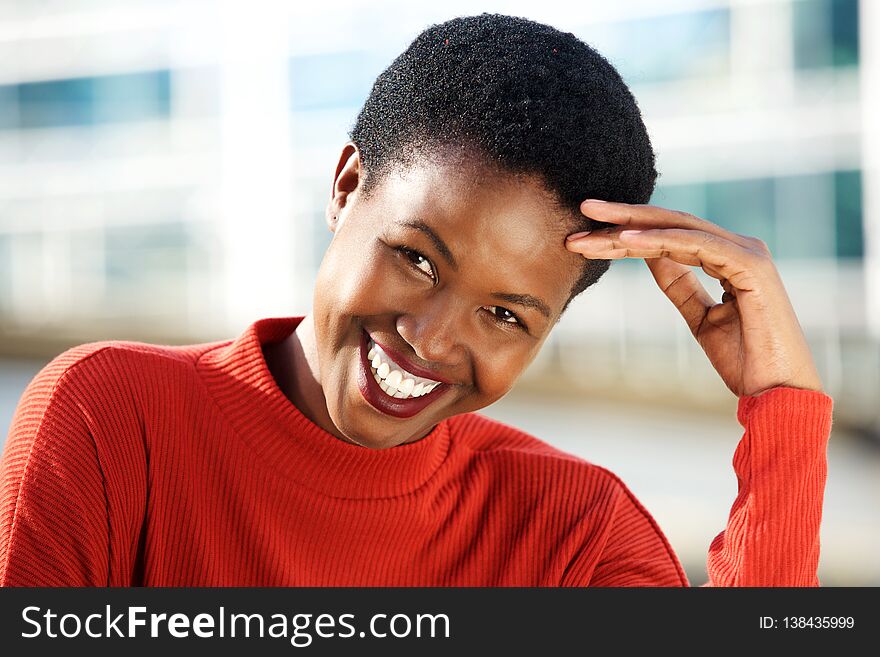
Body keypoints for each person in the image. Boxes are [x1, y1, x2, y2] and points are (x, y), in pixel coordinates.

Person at [0, 13, 832, 587]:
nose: (428, 339)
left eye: (506, 315)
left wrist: (783, 406)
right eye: (417, 259)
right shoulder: (112, 417)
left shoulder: (574, 532)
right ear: (347, 186)